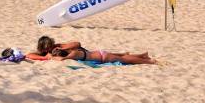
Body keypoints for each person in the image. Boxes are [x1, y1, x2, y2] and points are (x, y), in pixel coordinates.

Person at [25, 36, 156, 65]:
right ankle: (142, 56)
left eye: (51, 46)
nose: (50, 49)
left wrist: (61, 49)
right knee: (120, 56)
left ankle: (147, 60)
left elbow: (77, 43)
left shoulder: (60, 47)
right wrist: (45, 57)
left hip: (90, 54)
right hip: (94, 54)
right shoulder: (45, 52)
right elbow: (29, 54)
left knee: (122, 58)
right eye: (48, 48)